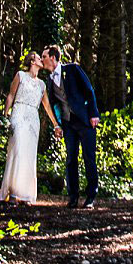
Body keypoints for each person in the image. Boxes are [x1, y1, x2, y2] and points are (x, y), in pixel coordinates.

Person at [41, 44, 101, 208]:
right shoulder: (49, 80)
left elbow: (89, 90)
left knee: (89, 158)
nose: (42, 60)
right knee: (70, 159)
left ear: (53, 58)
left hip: (84, 121)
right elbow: (55, 104)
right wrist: (58, 124)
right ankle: (73, 196)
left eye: (44, 56)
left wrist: (94, 113)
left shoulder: (73, 69)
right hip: (68, 124)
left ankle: (90, 196)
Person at [0, 51, 62, 204]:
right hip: (19, 113)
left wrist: (55, 125)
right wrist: (5, 115)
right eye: (39, 58)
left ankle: (24, 193)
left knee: (29, 154)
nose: (42, 59)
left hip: (33, 118)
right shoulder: (20, 75)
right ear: (32, 61)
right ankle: (13, 192)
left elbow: (46, 106)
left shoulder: (42, 84)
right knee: (18, 150)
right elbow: (11, 95)